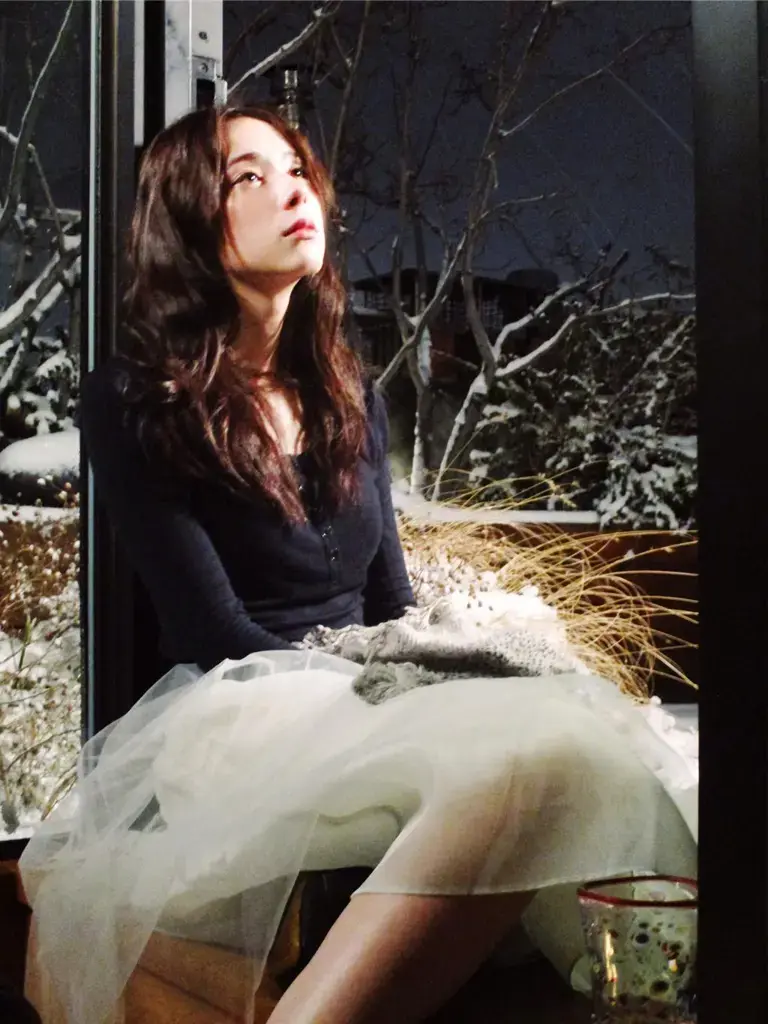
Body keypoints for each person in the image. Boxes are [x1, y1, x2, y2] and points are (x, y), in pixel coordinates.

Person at [19, 106, 697, 1024]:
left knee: (581, 745)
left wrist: (431, 674)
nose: (292, 189)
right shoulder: (138, 400)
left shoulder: (347, 393)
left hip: (357, 697)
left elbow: (391, 602)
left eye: (296, 168)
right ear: (187, 221)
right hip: (240, 713)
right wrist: (390, 690)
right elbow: (214, 630)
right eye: (248, 176)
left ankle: (644, 999)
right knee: (534, 761)